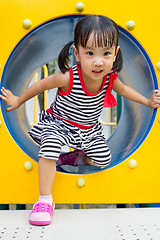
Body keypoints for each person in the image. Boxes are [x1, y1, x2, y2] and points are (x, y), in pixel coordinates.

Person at [1, 15, 160, 226]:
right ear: (77, 53)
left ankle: (73, 158)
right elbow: (40, 86)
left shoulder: (110, 79)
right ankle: (45, 200)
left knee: (104, 159)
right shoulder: (67, 77)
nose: (98, 61)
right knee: (50, 145)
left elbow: (126, 91)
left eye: (106, 53)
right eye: (90, 53)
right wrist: (19, 100)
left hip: (88, 130)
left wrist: (148, 102)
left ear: (115, 54)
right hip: (58, 124)